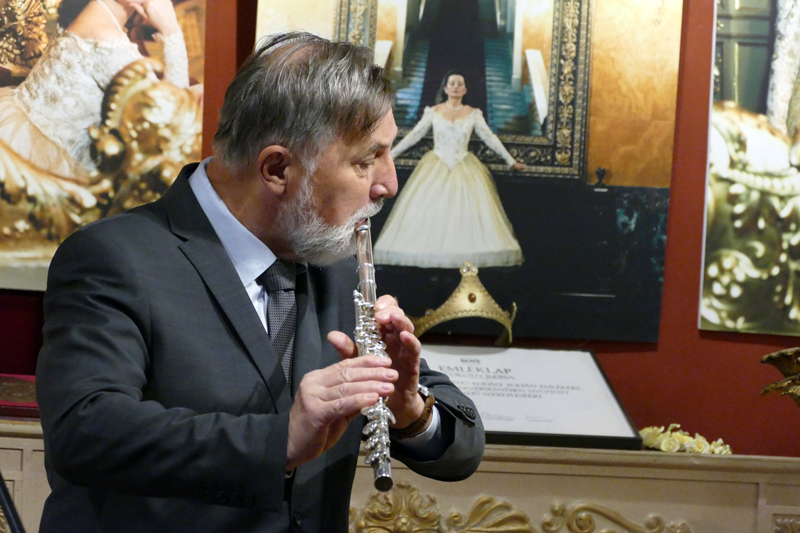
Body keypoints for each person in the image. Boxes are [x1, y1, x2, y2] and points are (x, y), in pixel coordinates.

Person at [35, 32, 484, 533]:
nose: (389, 183)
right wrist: (280, 441)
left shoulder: (336, 265)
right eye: (365, 161)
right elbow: (85, 430)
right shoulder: (113, 257)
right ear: (276, 169)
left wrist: (411, 409)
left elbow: (463, 448)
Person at [0, 0, 190, 177]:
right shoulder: (110, 42)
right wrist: (172, 32)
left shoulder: (86, 12)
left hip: (18, 134)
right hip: (45, 164)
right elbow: (173, 121)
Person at [373, 70, 525, 268]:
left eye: (459, 84)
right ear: (445, 88)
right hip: (436, 165)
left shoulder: (473, 114)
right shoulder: (433, 111)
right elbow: (414, 135)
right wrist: (389, 156)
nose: (455, 87)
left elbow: (490, 138)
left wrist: (511, 161)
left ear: (465, 89)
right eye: (452, 83)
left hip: (465, 166)